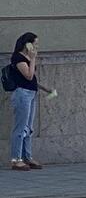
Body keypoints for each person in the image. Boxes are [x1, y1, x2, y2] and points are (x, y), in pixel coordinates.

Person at [5, 32, 46, 170]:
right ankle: (16, 159)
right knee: (20, 127)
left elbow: (32, 79)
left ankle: (26, 157)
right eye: (35, 44)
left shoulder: (27, 58)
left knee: (28, 128)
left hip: (31, 93)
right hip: (22, 95)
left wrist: (45, 89)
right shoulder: (18, 58)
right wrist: (33, 58)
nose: (37, 47)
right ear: (27, 44)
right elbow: (28, 76)